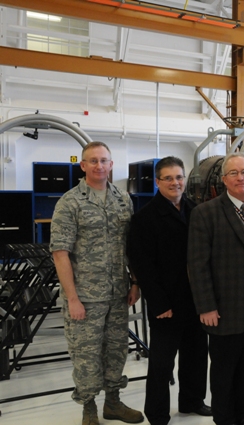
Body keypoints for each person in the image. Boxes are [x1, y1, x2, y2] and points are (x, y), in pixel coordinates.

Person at [50, 141, 144, 425]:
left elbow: (130, 246)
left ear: (111, 165)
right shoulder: (70, 202)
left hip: (117, 293)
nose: (99, 166)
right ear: (83, 165)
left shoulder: (122, 199)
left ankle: (112, 402)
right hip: (85, 297)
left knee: (116, 350)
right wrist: (72, 298)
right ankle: (88, 406)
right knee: (86, 355)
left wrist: (135, 282)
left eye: (104, 160)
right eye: (93, 161)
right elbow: (60, 253)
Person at [187, 152, 244, 425]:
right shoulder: (206, 213)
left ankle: (243, 415)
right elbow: (197, 265)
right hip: (223, 309)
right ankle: (224, 419)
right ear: (224, 179)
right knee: (224, 371)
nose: (240, 178)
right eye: (234, 173)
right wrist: (206, 306)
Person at [127, 156, 210, 425]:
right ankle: (157, 413)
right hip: (166, 304)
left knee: (196, 355)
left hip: (196, 300)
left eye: (179, 177)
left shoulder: (196, 210)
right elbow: (142, 265)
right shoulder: (144, 218)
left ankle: (192, 401)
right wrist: (160, 304)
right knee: (162, 363)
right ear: (157, 181)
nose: (175, 183)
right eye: (169, 178)